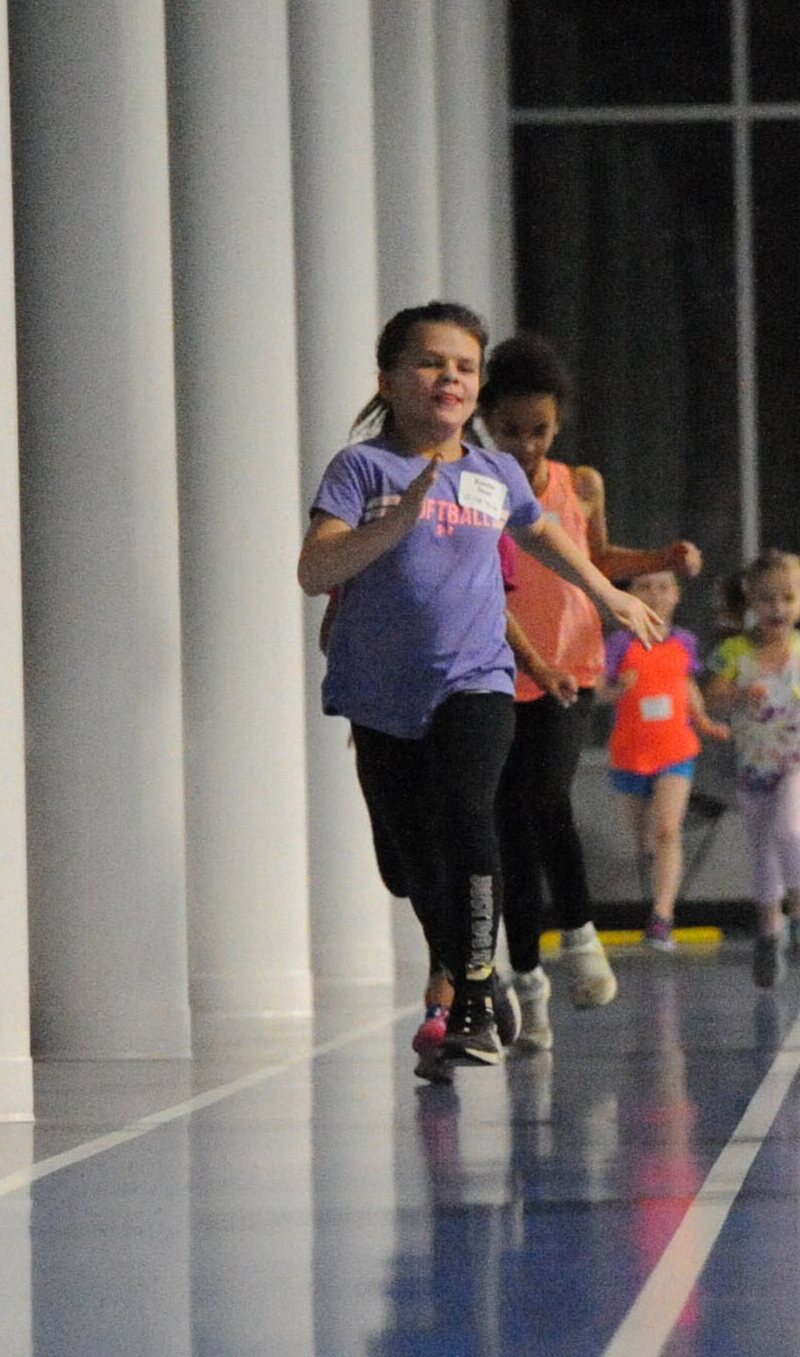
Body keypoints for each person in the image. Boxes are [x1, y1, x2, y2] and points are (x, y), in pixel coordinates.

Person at [304, 303, 664, 1073]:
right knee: (406, 867)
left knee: (472, 817)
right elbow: (315, 571)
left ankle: (469, 998)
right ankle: (480, 973)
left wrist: (608, 595)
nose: (451, 378)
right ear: (390, 380)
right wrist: (392, 523)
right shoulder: (360, 470)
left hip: (475, 681)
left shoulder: (493, 472)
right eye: (433, 362)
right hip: (379, 696)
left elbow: (542, 533)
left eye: (465, 366)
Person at [484, 333, 699, 1035]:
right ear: (487, 421)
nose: (526, 445)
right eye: (511, 430)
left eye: (539, 430)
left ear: (559, 423)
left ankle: (579, 939)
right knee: (511, 829)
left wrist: (658, 558)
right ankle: (527, 983)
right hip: (497, 667)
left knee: (545, 799)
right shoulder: (479, 487)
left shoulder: (580, 484)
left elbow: (597, 558)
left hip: (569, 667)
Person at [709, 550, 800, 989]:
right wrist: (739, 697)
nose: (777, 608)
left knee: (789, 828)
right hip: (756, 765)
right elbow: (712, 700)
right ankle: (768, 931)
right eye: (767, 599)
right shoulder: (735, 652)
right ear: (750, 600)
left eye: (787, 598)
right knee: (763, 851)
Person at [603, 563, 716, 951]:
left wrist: (703, 720)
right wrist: (619, 689)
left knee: (668, 830)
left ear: (676, 594)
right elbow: (599, 690)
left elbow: (687, 683)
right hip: (631, 750)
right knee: (646, 841)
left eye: (663, 586)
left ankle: (662, 917)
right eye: (645, 587)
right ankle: (657, 900)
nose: (655, 594)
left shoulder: (684, 640)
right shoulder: (620, 643)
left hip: (675, 747)